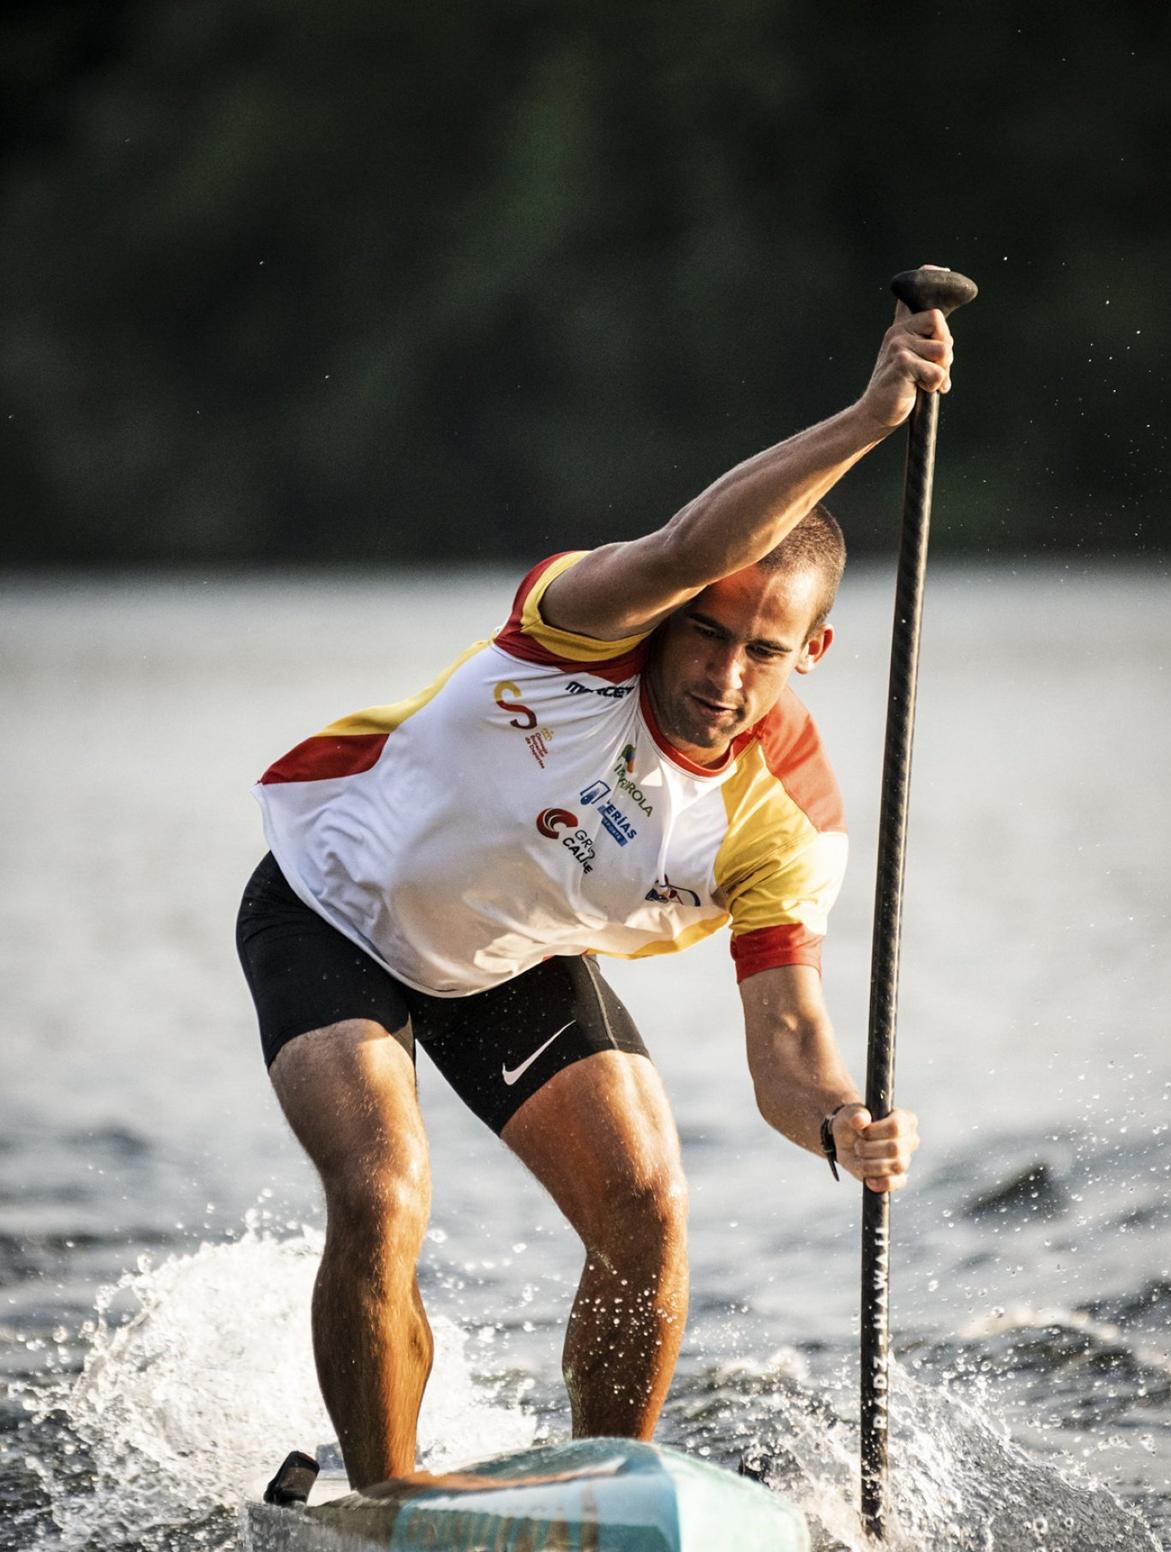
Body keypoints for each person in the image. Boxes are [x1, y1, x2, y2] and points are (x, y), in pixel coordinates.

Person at [237, 293, 953, 1489]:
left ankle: (613, 1505)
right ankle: (388, 1498)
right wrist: (873, 419)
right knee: (383, 1187)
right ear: (674, 612)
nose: (724, 675)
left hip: (507, 956)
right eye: (708, 632)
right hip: (330, 904)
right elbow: (683, 548)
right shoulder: (584, 623)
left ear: (808, 657)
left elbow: (788, 1047)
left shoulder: (787, 824)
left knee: (650, 1207)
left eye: (763, 652)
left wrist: (843, 1124)